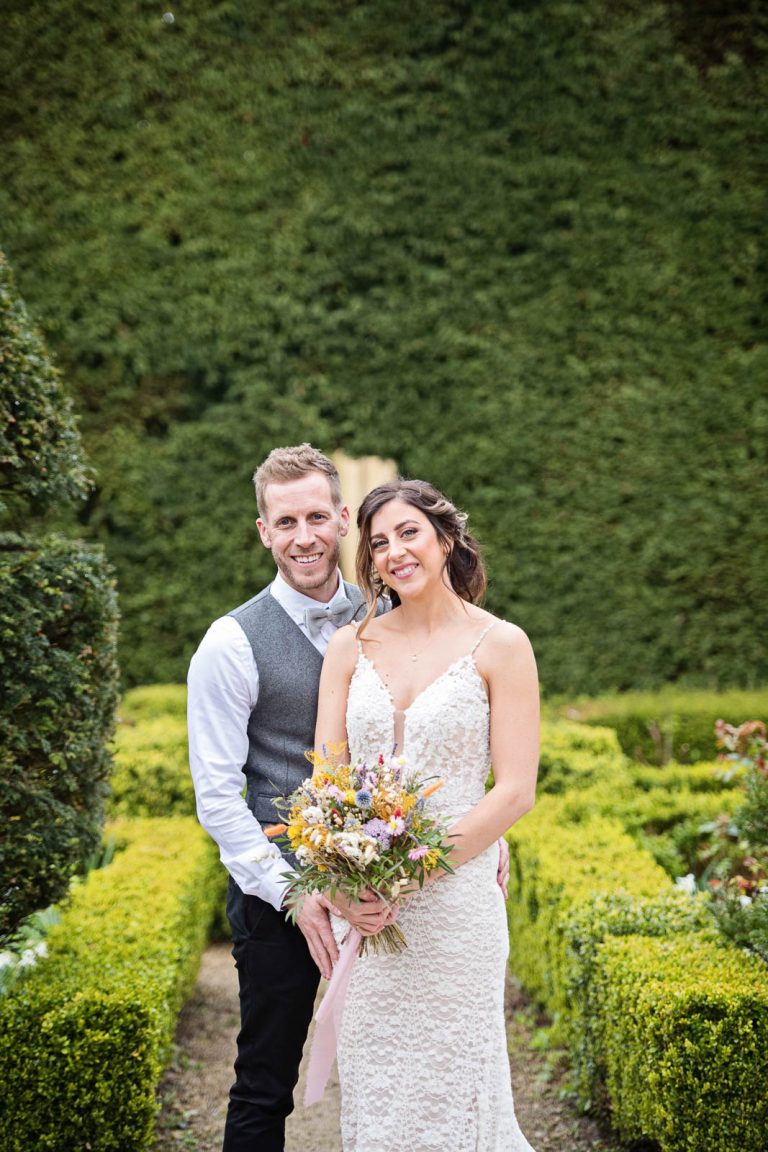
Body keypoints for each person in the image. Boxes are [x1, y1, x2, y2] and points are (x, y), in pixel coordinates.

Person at [187, 446, 510, 1152]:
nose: (302, 535)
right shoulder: (229, 643)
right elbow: (216, 796)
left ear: (340, 521)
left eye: (314, 517)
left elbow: (444, 742)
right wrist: (296, 893)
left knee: (404, 1066)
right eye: (284, 521)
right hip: (284, 897)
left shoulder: (397, 613)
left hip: (398, 891)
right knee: (264, 1082)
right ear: (263, 531)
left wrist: (478, 836)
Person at [315, 478, 540, 1152]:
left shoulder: (503, 645)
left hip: (456, 907)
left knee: (454, 1088)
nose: (393, 552)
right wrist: (340, 881)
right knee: (378, 1085)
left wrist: (410, 871)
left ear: (445, 540)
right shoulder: (349, 649)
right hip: (367, 906)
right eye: (378, 542)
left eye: (408, 533)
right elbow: (326, 780)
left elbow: (515, 789)